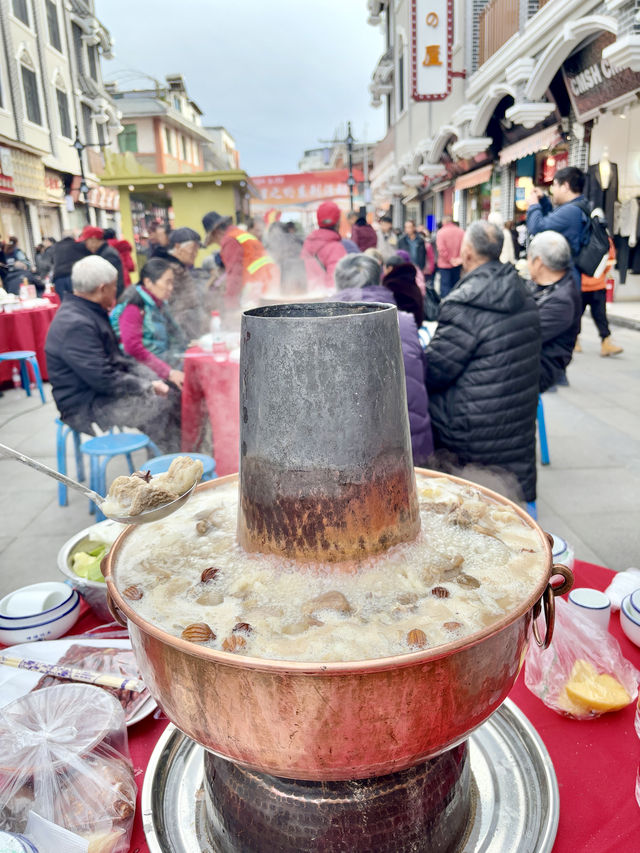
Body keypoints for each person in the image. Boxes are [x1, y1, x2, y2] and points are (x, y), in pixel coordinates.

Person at [425, 221, 541, 504]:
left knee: (413, 406)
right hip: (517, 428)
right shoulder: (524, 293)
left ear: (466, 254)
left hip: (471, 435)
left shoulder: (464, 303)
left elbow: (435, 372)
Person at [45, 255, 181, 452]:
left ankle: (172, 455)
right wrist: (146, 386)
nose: (117, 291)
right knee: (159, 406)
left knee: (169, 392)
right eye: (114, 286)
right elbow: (103, 378)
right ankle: (167, 467)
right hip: (85, 403)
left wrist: (155, 378)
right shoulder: (75, 323)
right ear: (102, 289)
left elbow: (119, 359)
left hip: (99, 391)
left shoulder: (88, 311)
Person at [333, 253, 434, 466]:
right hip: (412, 448)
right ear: (378, 279)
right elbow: (423, 372)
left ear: (338, 283)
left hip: (349, 458)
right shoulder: (406, 322)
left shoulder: (320, 324)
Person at [110, 258, 187, 387]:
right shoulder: (134, 305)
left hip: (158, 363)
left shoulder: (159, 304)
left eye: (172, 283)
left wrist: (183, 353)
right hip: (137, 370)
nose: (171, 288)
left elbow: (175, 333)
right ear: (148, 282)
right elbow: (132, 348)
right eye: (167, 282)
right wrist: (169, 372)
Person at [526, 231, 581, 393]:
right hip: (527, 358)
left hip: (541, 367)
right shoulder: (550, 284)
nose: (527, 263)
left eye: (529, 258)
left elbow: (526, 334)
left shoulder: (562, 300)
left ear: (539, 262)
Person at [526, 166, 589, 288]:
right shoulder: (577, 206)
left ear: (565, 186)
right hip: (570, 275)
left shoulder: (571, 211)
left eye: (554, 185)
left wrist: (534, 204)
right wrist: (543, 200)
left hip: (566, 277)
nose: (552, 190)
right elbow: (551, 221)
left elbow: (537, 227)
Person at [202, 210, 279, 309]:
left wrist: (230, 304)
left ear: (216, 232)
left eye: (214, 239)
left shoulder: (230, 240)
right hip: (269, 281)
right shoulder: (238, 233)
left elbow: (235, 275)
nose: (217, 243)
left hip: (257, 285)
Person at [575, 238, 623, 357]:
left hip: (584, 284)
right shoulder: (602, 235)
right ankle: (605, 342)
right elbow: (610, 259)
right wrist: (599, 274)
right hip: (596, 283)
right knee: (599, 314)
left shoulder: (578, 233)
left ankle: (604, 341)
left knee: (578, 314)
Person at [166, 226, 208, 340]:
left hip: (188, 333)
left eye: (197, 249)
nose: (196, 253)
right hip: (177, 336)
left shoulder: (182, 268)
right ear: (177, 246)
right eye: (193, 248)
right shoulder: (166, 271)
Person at [301, 201, 347, 292]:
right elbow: (335, 285)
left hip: (308, 299)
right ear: (338, 222)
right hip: (325, 302)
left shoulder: (308, 244)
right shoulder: (336, 248)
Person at [382, 255, 424, 327]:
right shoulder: (411, 281)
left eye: (384, 268)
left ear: (390, 268)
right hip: (416, 323)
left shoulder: (391, 285)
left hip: (401, 327)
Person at [52, 230, 87, 299]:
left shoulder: (55, 247)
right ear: (74, 237)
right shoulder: (77, 245)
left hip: (58, 277)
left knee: (64, 301)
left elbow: (52, 261)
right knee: (77, 300)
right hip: (72, 275)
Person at [435, 216, 464, 298]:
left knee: (445, 287)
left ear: (444, 222)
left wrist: (450, 259)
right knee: (456, 286)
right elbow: (465, 247)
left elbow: (441, 250)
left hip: (445, 265)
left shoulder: (441, 232)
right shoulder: (461, 231)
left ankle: (446, 306)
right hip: (458, 264)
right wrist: (458, 259)